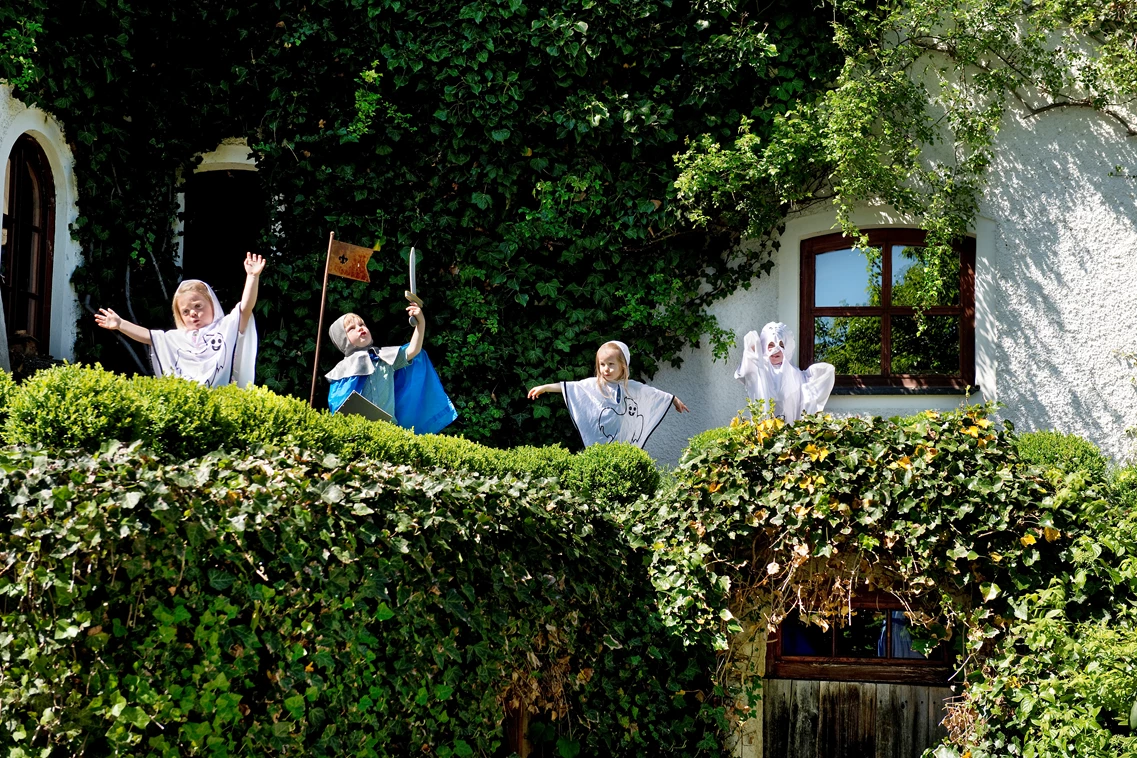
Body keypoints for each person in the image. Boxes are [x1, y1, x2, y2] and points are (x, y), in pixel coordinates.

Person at [95, 252, 264, 387]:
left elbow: (245, 308)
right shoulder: (179, 338)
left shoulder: (226, 327)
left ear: (212, 304)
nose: (193, 313)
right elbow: (149, 337)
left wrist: (252, 277)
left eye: (198, 306)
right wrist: (120, 324)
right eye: (185, 311)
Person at [527, 340, 688, 448]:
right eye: (602, 364)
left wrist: (673, 399)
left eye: (611, 364)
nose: (606, 369)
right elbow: (573, 387)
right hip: (601, 439)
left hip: (624, 441)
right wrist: (545, 387)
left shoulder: (631, 387)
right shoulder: (595, 385)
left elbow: (652, 394)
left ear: (623, 366)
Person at [326, 303, 458, 434]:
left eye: (362, 324)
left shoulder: (385, 358)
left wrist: (420, 323)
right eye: (351, 328)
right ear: (342, 339)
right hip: (360, 431)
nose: (360, 328)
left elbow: (413, 350)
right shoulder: (341, 371)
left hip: (389, 431)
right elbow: (339, 406)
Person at [734, 322, 834, 423]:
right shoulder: (759, 370)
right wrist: (753, 350)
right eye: (771, 345)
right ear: (764, 346)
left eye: (781, 345)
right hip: (763, 431)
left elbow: (807, 393)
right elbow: (744, 372)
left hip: (788, 431)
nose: (776, 350)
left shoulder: (795, 375)